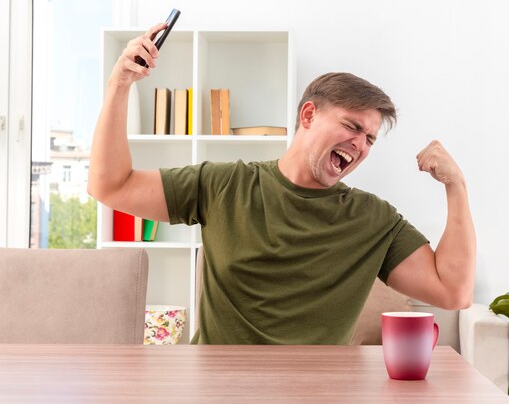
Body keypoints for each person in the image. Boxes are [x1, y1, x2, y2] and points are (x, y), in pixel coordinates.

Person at [88, 23, 476, 345]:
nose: (360, 145)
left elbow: (453, 291)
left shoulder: (373, 219)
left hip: (315, 394)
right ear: (308, 115)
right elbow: (111, 185)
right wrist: (119, 84)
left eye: (370, 139)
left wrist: (456, 185)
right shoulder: (224, 184)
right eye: (352, 126)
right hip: (218, 390)